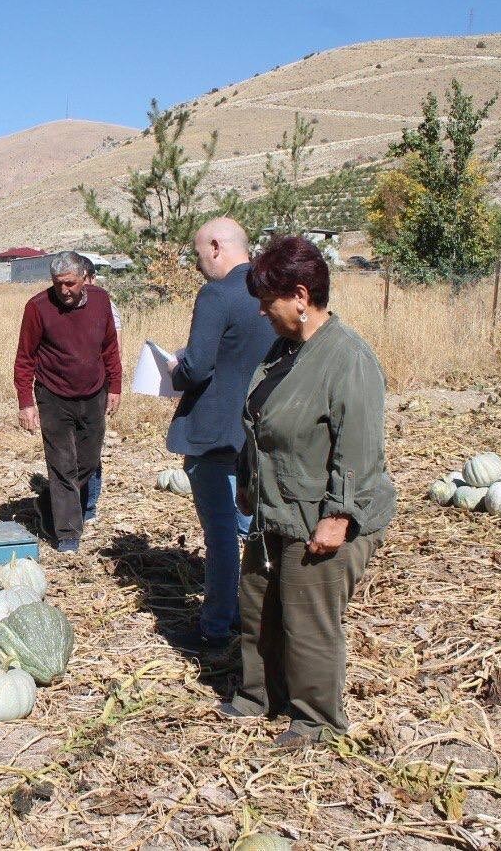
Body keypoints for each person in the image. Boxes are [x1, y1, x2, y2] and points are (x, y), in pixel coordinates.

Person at [222, 235, 396, 750]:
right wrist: (250, 487)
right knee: (257, 605)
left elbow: (359, 448)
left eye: (266, 301)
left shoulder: (347, 358)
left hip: (323, 513)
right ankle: (260, 697)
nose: (260, 312)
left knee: (307, 619)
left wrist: (338, 516)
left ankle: (316, 719)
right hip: (276, 508)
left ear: (301, 295)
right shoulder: (286, 351)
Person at [166, 218, 277, 652]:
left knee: (220, 532)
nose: (199, 265)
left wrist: (177, 367)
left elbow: (198, 366)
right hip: (259, 429)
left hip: (213, 431)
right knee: (254, 526)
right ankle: (260, 614)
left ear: (215, 247)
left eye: (198, 255)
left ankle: (216, 626)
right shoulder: (271, 293)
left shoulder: (217, 294)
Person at [14, 251, 122, 553]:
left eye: (70, 283)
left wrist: (115, 385)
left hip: (94, 393)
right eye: (58, 284)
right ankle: (67, 535)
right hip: (53, 395)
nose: (64, 290)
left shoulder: (101, 301)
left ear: (84, 279)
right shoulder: (37, 307)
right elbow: (25, 358)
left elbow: (110, 346)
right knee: (61, 464)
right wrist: (26, 402)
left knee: (86, 461)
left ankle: (49, 502)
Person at [75, 253, 122, 525]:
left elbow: (115, 351)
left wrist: (111, 385)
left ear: (90, 278)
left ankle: (89, 506)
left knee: (90, 449)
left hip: (97, 388)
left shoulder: (105, 307)